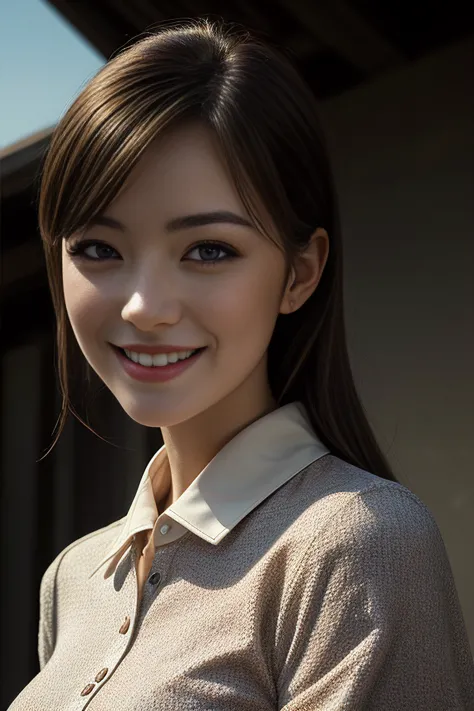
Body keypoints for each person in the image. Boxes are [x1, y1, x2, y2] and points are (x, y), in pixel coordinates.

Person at [9, 17, 474, 711]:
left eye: (208, 250)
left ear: (300, 272)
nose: (144, 307)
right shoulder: (74, 577)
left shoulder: (358, 542)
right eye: (99, 249)